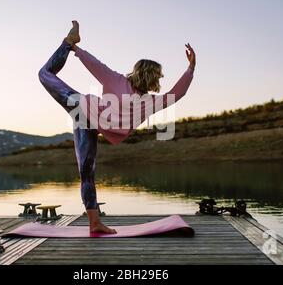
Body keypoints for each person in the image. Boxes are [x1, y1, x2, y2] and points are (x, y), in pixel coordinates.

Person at [38, 21, 196, 234]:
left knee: (87, 172)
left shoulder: (147, 99)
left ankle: (95, 223)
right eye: (158, 75)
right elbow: (96, 65)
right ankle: (68, 42)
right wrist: (76, 49)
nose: (160, 79)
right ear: (149, 75)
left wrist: (190, 68)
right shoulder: (132, 89)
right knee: (45, 75)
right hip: (82, 110)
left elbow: (97, 65)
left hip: (87, 121)